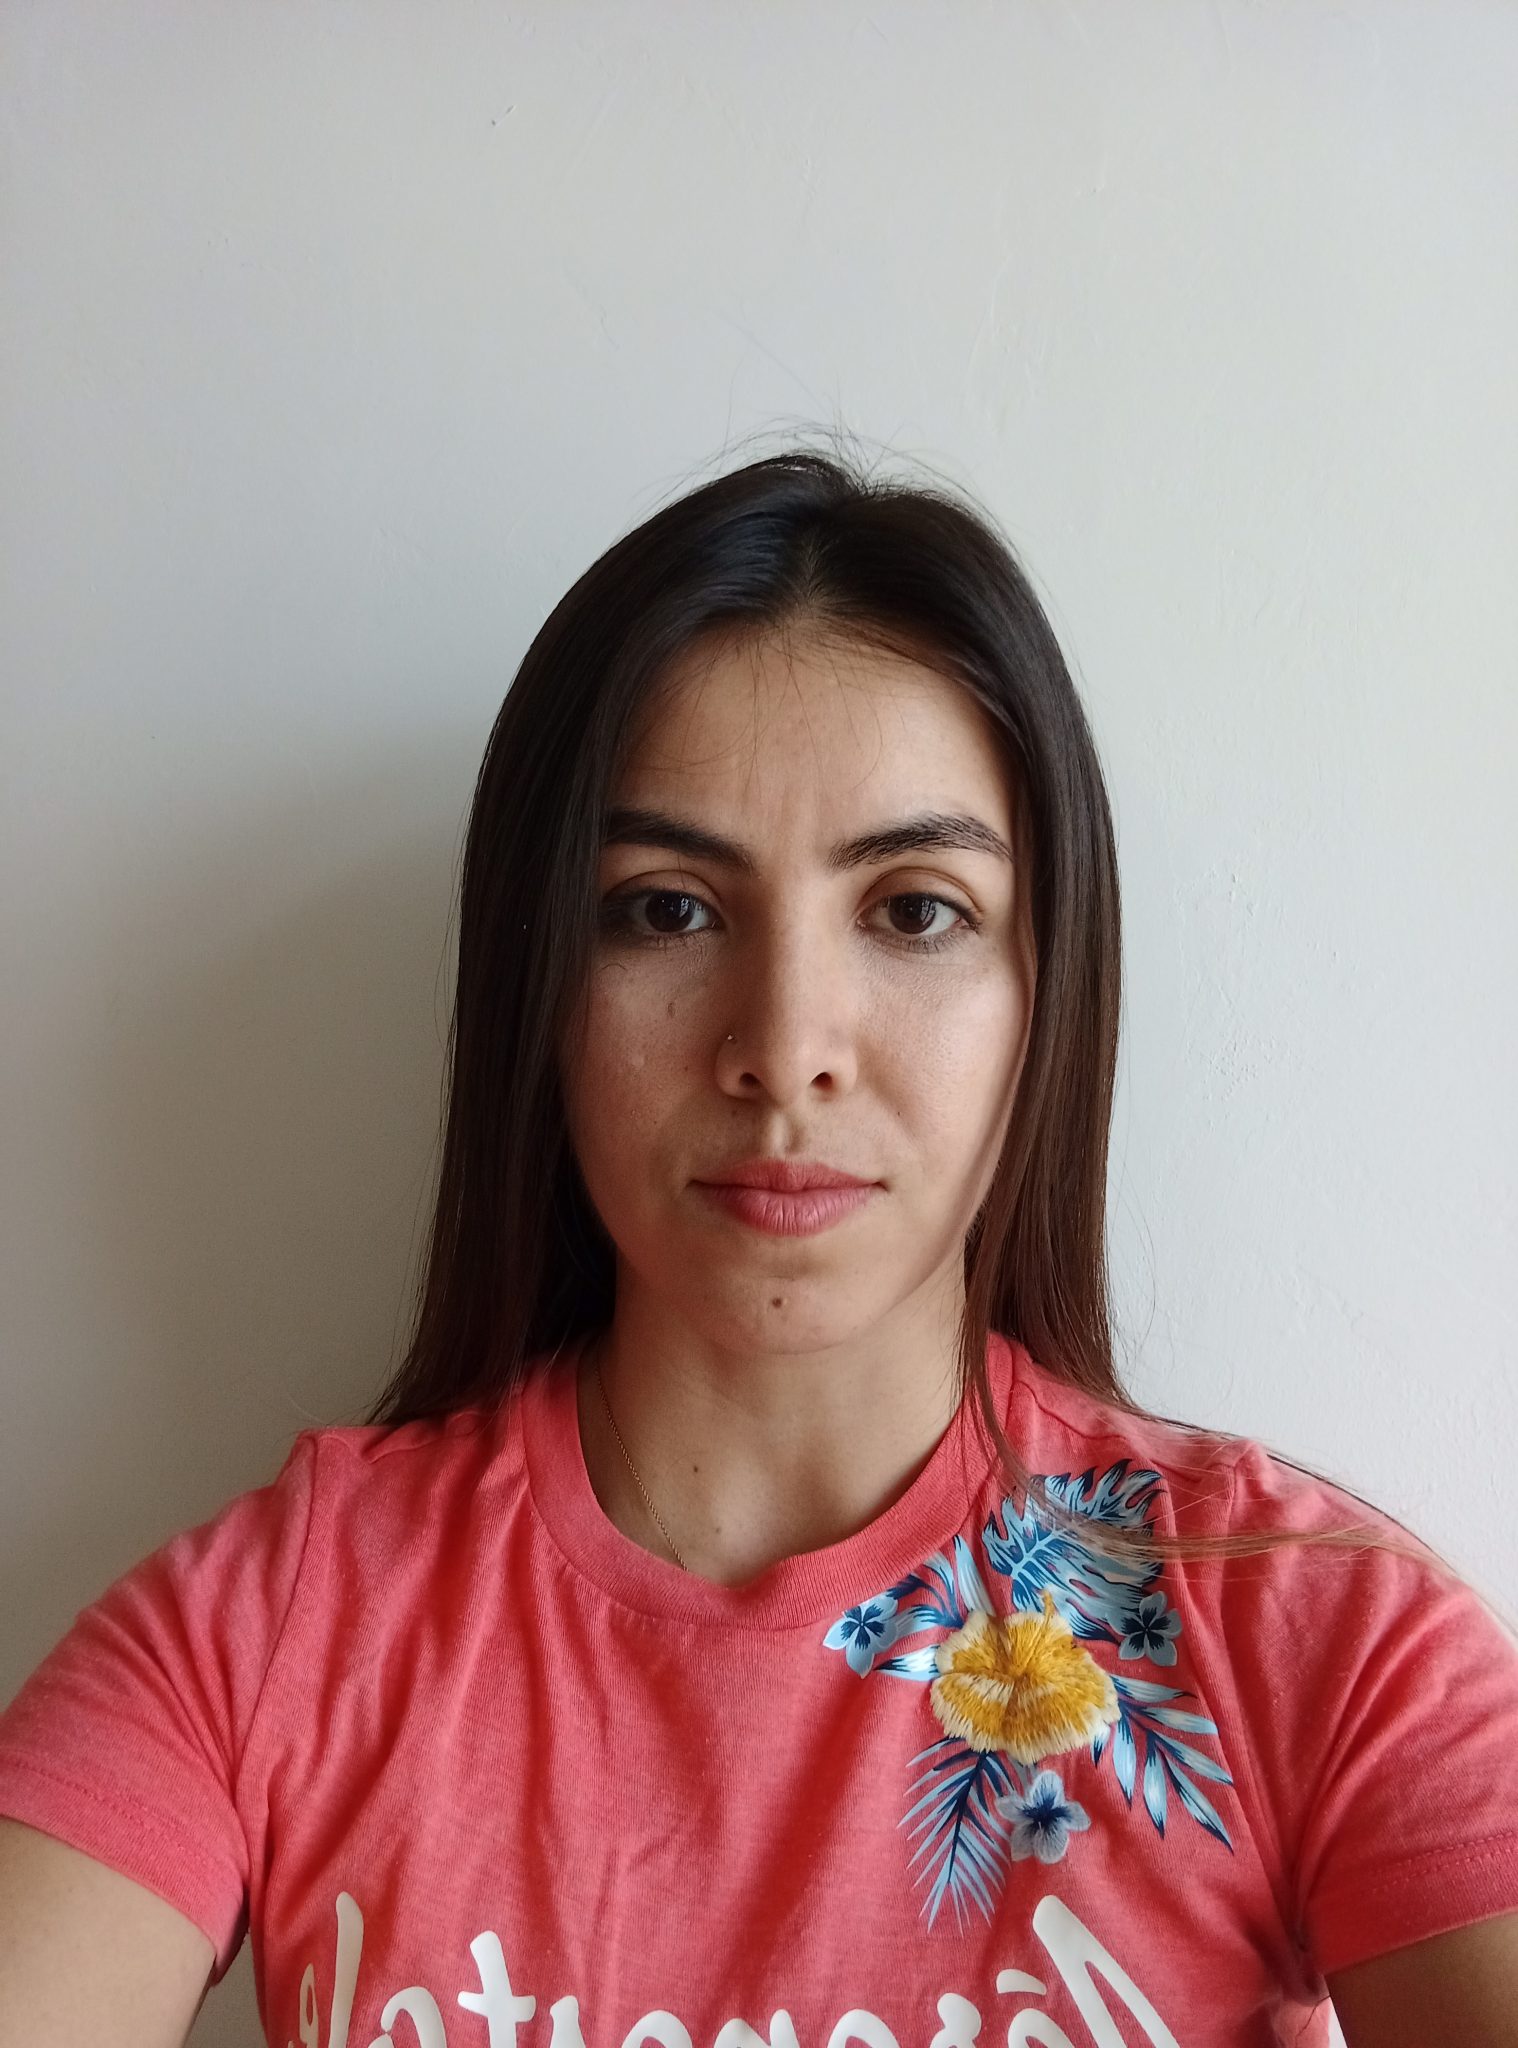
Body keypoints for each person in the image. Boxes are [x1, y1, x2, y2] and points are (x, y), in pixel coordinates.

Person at [1, 446, 1515, 2048]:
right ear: (539, 987)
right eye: (667, 909)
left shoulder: (1310, 1636)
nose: (785, 1047)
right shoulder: (279, 1631)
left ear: (1046, 996)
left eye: (914, 910)